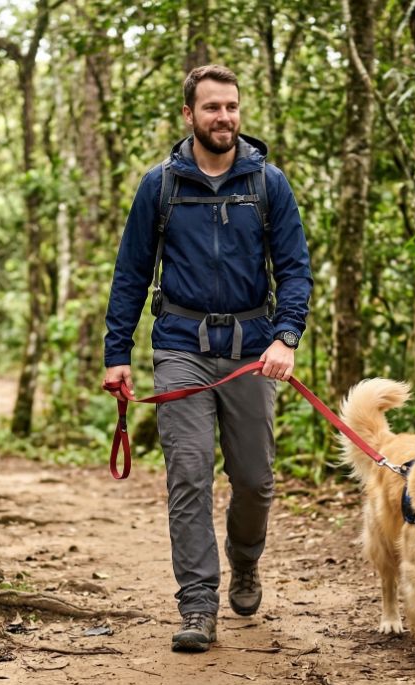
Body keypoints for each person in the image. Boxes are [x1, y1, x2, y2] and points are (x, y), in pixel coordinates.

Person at [102, 64, 313, 652]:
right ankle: (198, 605)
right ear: (189, 115)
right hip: (180, 348)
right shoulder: (160, 185)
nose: (224, 117)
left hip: (252, 349)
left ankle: (245, 562)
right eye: (212, 107)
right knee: (189, 474)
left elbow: (294, 269)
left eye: (232, 107)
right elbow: (131, 275)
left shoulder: (268, 183)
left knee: (255, 481)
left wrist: (286, 338)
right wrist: (116, 354)